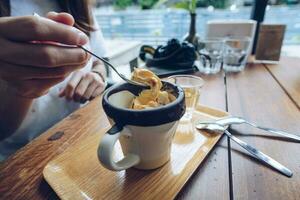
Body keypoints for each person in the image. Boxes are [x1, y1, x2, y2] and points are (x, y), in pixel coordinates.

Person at [0, 0, 107, 161]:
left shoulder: (78, 5)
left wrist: (97, 75)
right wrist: (21, 90)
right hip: (23, 159)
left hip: (86, 137)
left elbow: (101, 59)